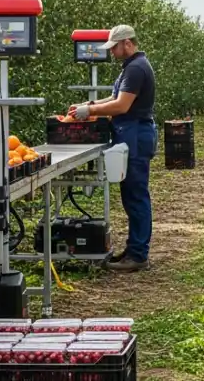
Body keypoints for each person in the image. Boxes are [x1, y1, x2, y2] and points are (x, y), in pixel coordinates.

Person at [67, 24, 156, 273]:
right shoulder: (131, 67)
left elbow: (121, 106)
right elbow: (116, 97)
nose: (113, 52)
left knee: (136, 196)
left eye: (115, 47)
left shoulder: (137, 68)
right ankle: (134, 249)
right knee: (131, 196)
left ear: (127, 43)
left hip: (136, 135)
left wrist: (91, 111)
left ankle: (138, 255)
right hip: (132, 134)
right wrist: (92, 103)